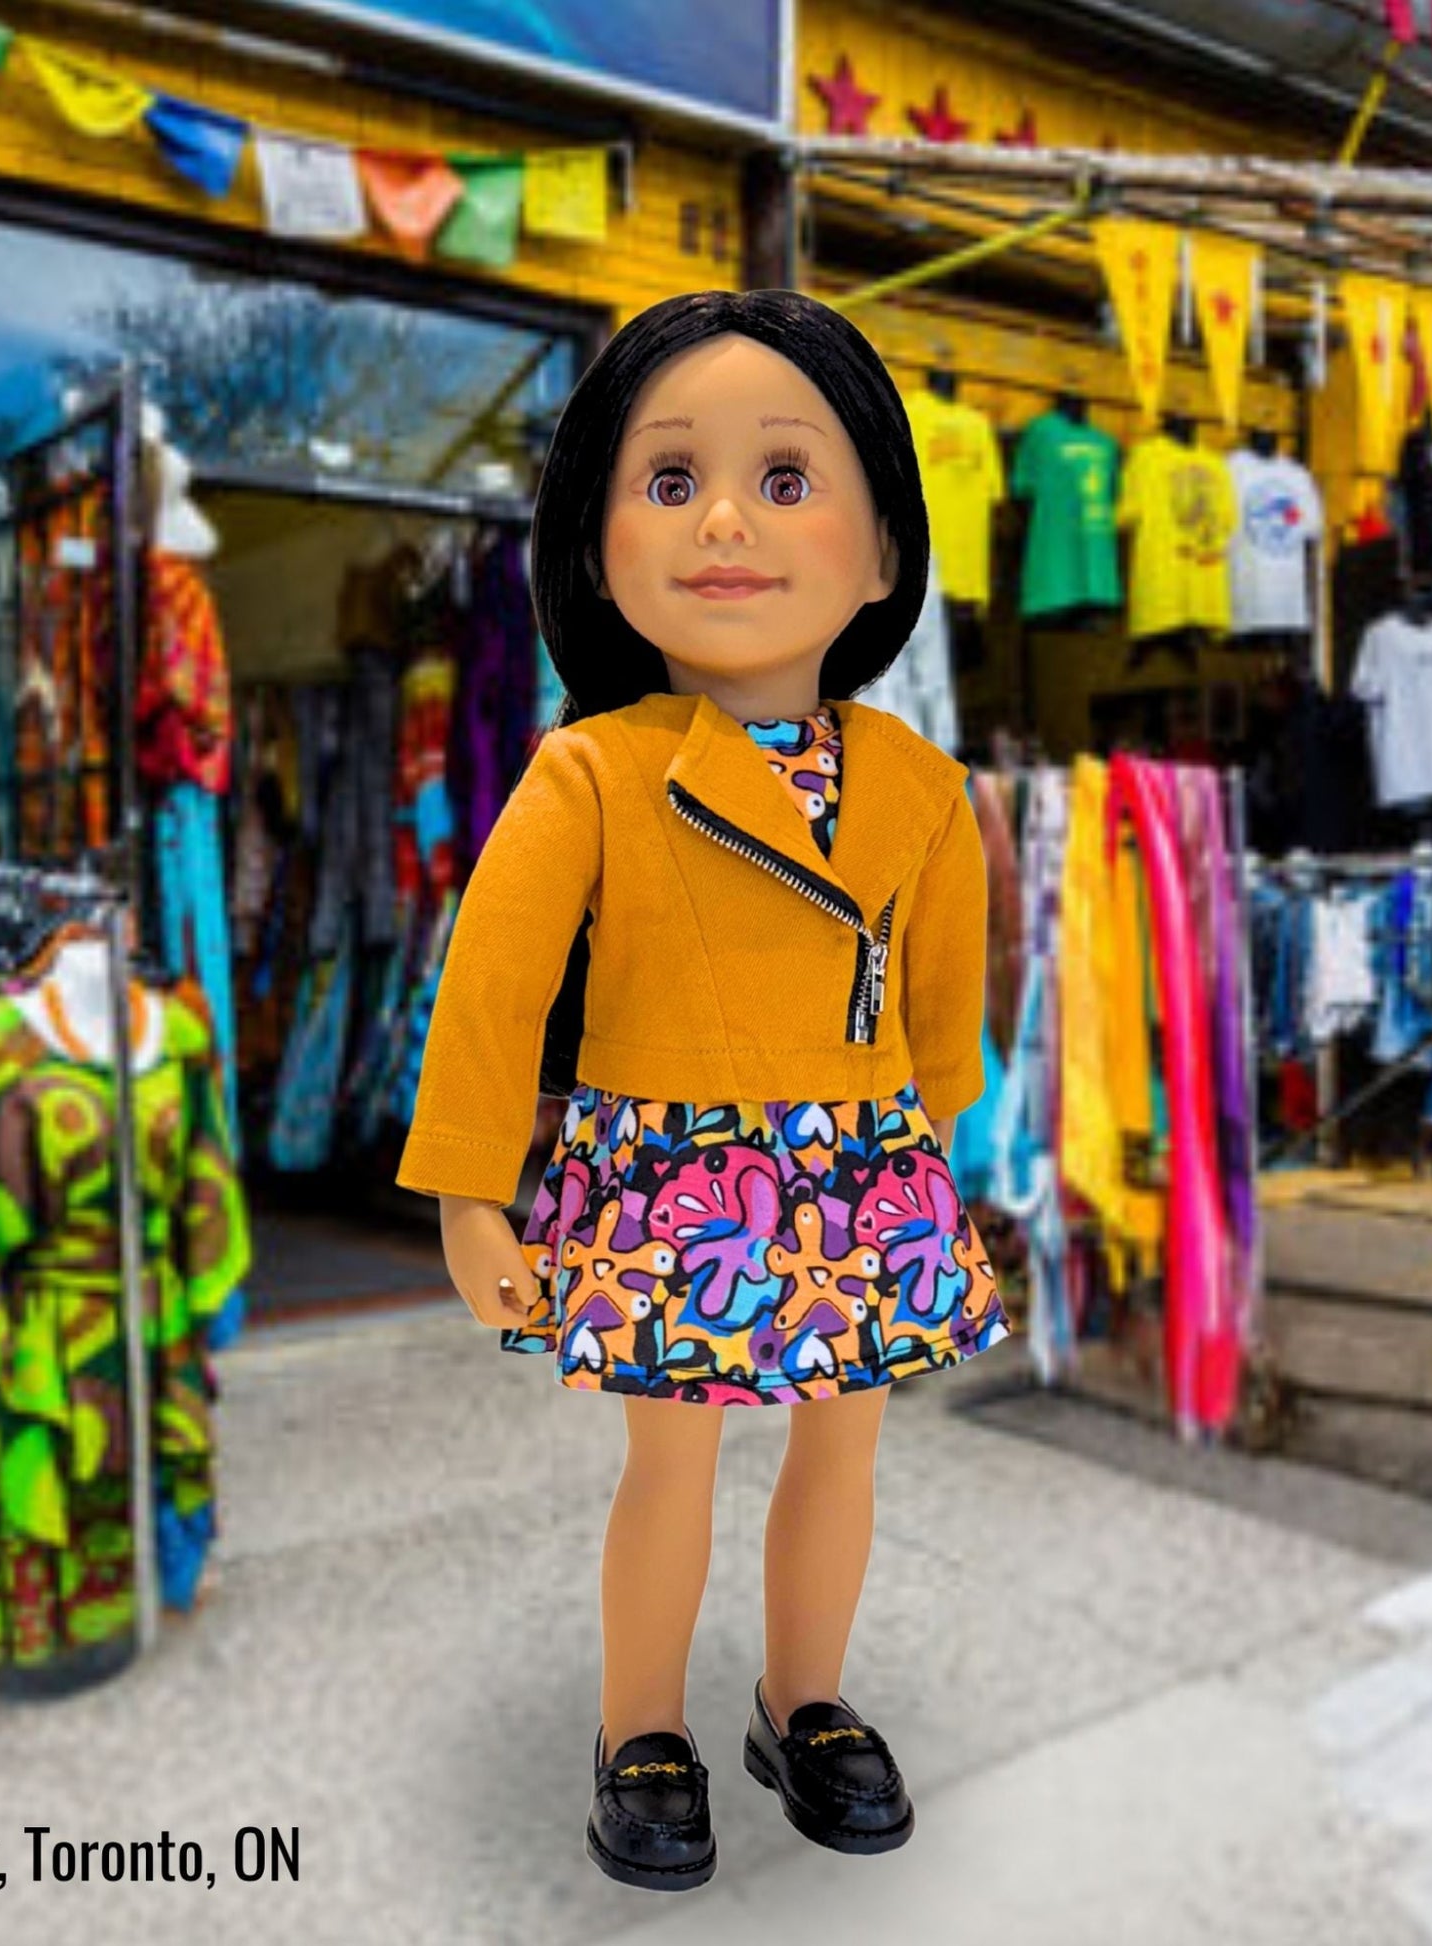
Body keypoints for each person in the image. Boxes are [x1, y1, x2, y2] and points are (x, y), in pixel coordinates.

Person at [394, 289, 1012, 1891]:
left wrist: (950, 1151)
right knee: (667, 1456)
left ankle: (798, 1699)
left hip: (866, 1159)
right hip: (672, 1163)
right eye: (669, 481)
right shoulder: (589, 770)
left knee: (844, 1443)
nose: (725, 518)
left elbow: (944, 999)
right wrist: (470, 1190)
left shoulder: (924, 790)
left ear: (883, 553)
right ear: (597, 547)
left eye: (786, 480)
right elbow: (492, 991)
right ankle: (638, 1726)